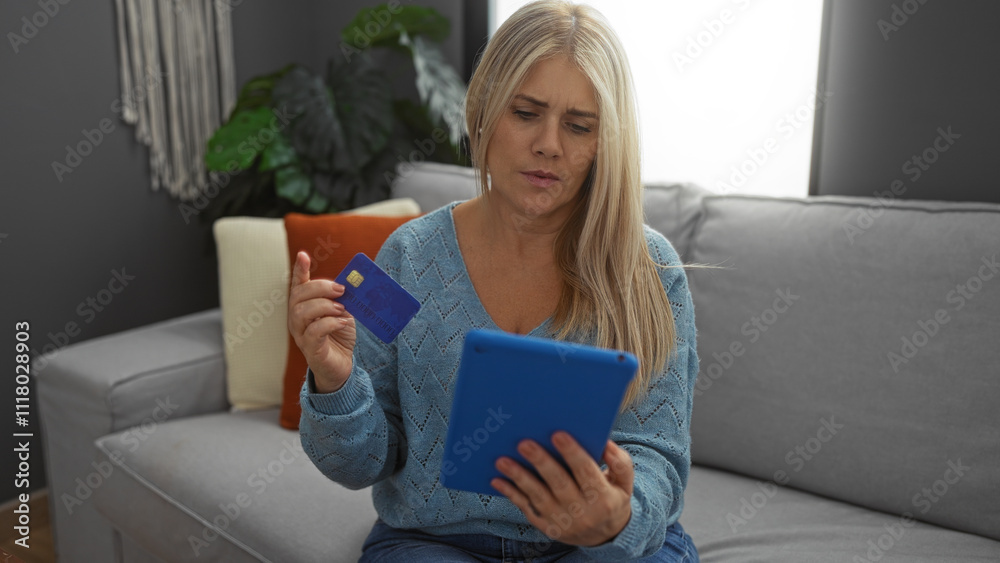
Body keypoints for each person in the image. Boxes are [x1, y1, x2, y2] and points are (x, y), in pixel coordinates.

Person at [287, 1, 700, 560]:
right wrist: (335, 382)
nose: (550, 144)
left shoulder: (650, 273)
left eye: (579, 126)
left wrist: (615, 519)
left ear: (605, 142)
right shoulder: (408, 258)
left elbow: (657, 457)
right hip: (435, 541)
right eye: (526, 113)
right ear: (483, 110)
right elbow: (359, 466)